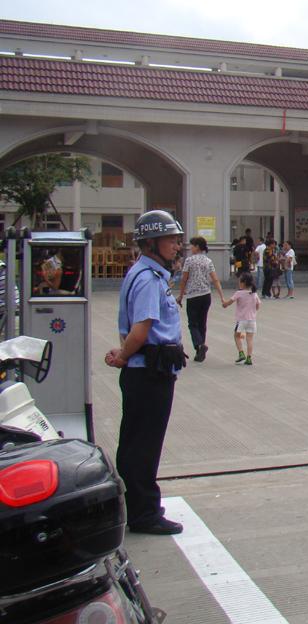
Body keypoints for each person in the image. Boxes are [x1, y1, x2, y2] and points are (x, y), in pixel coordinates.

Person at [103, 210, 187, 535]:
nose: (176, 245)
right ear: (151, 242)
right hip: (150, 373)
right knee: (144, 445)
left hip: (145, 370)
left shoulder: (141, 273)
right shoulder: (149, 279)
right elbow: (141, 330)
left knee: (135, 441)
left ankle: (136, 506)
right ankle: (144, 514)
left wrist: (124, 352)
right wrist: (124, 356)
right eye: (171, 240)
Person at [175, 236, 226, 363]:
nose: (190, 248)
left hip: (193, 296)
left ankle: (199, 344)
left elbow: (184, 279)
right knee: (202, 323)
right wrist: (222, 296)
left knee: (193, 323)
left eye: (192, 245)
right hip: (206, 295)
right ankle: (200, 350)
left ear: (197, 246)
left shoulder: (189, 261)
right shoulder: (208, 261)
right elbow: (215, 279)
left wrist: (180, 295)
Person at [223, 271, 260, 366]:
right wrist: (253, 311)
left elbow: (229, 302)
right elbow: (258, 305)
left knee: (236, 336)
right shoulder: (254, 294)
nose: (238, 283)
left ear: (243, 283)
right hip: (252, 320)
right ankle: (249, 358)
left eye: (239, 281)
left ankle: (241, 353)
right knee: (249, 339)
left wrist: (224, 304)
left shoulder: (239, 293)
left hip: (241, 320)